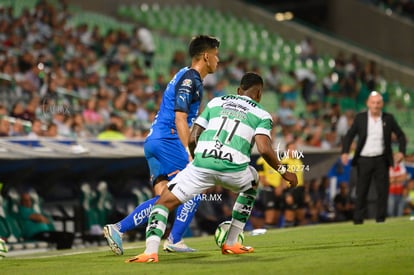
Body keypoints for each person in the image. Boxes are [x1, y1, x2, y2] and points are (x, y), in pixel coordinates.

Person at [125, 72, 298, 263]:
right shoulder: (262, 113)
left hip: (202, 165)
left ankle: (150, 252)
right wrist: (284, 171)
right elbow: (264, 149)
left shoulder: (216, 102)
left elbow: (192, 137)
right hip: (234, 170)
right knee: (253, 181)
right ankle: (232, 241)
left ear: (239, 90)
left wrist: (199, 158)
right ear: (259, 94)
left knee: (163, 202)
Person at [103, 35, 221, 255]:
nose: (218, 60)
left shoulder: (185, 75)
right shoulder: (190, 79)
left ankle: (119, 229)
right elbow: (180, 118)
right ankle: (173, 239)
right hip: (169, 139)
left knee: (165, 198)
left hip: (155, 141)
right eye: (216, 55)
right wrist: (190, 152)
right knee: (194, 188)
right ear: (206, 56)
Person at [341, 91, 406, 224]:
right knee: (361, 189)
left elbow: (401, 135)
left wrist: (401, 152)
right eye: (373, 103)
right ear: (368, 103)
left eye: (378, 103)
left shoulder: (388, 118)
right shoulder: (360, 118)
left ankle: (380, 219)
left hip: (382, 159)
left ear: (382, 104)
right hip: (364, 159)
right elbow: (349, 135)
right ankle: (358, 219)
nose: (375, 105)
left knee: (383, 189)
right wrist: (345, 152)